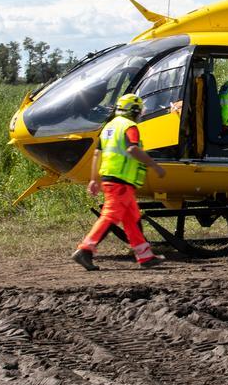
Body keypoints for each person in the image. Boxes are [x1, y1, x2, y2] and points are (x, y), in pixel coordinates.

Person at [72, 93, 167, 271]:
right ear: (134, 111)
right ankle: (85, 250)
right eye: (139, 111)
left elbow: (96, 154)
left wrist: (94, 179)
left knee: (132, 218)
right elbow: (132, 149)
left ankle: (145, 256)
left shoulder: (109, 127)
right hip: (121, 180)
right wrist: (155, 166)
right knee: (110, 216)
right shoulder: (130, 126)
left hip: (112, 178)